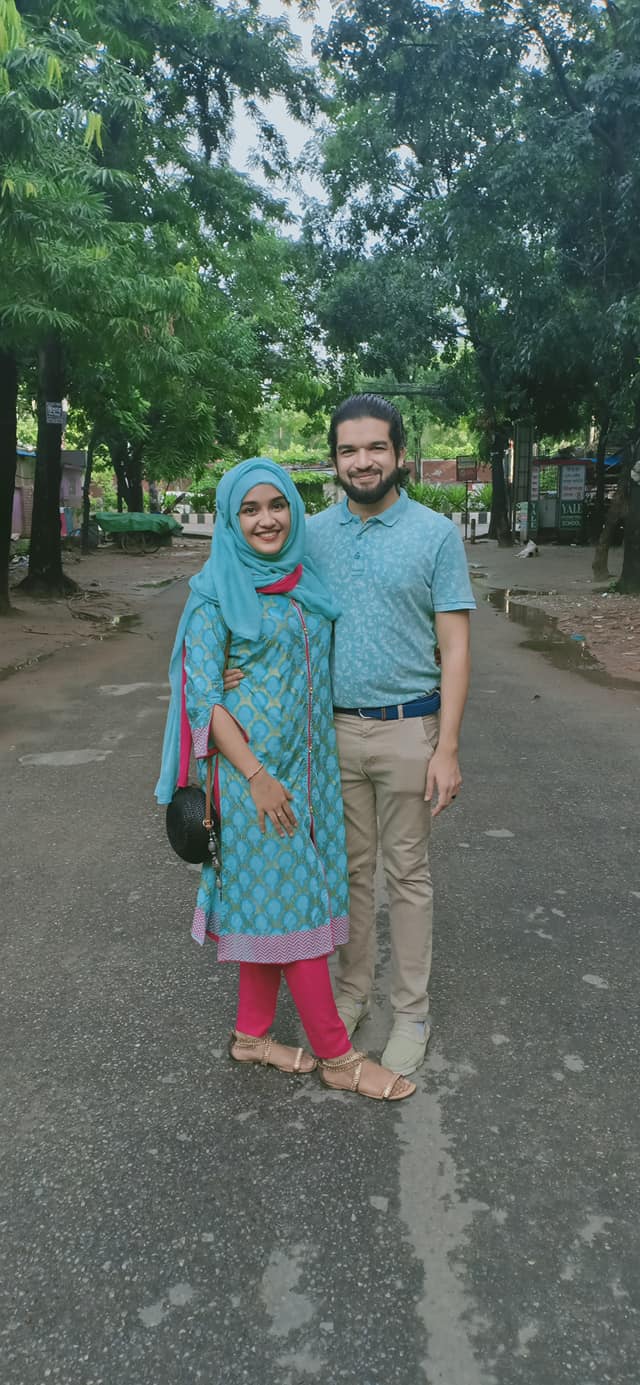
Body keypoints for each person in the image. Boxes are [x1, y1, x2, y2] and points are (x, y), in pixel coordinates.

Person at [155, 457, 415, 1102]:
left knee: (273, 905)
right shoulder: (215, 592)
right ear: (230, 520)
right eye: (250, 509)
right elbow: (202, 700)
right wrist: (256, 775)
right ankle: (338, 1056)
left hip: (311, 773)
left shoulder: (305, 582)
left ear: (294, 512)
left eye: (276, 506)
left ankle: (251, 1036)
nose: (266, 519)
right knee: (295, 906)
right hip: (255, 781)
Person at [306, 395, 475, 1075]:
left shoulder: (434, 535)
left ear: (400, 454)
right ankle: (351, 995)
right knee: (349, 873)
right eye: (349, 450)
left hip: (410, 728)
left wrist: (448, 747)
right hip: (333, 731)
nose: (363, 461)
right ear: (334, 460)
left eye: (376, 447)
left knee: (407, 875)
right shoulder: (312, 535)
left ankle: (411, 1011)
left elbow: (455, 648)